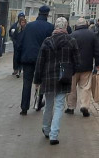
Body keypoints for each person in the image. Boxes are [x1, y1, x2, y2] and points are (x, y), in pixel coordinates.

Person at [34, 17, 79, 145]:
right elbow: (77, 61)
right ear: (65, 27)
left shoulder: (47, 41)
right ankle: (54, 134)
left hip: (48, 77)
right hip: (64, 77)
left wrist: (37, 79)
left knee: (48, 104)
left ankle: (46, 129)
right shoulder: (71, 41)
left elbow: (40, 62)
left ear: (55, 27)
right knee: (59, 105)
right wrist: (71, 72)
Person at [17, 4, 54, 115]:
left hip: (28, 58)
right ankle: (38, 103)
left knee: (27, 83)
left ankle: (24, 107)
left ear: (39, 13)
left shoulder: (29, 26)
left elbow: (21, 43)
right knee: (41, 81)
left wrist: (18, 60)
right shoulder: (50, 27)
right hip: (43, 59)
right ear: (47, 14)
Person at [68, 17, 99, 117]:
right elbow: (97, 51)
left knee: (71, 87)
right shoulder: (92, 34)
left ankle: (70, 107)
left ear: (77, 25)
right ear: (86, 24)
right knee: (85, 87)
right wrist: (98, 64)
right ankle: (84, 106)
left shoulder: (71, 35)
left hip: (73, 67)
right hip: (87, 66)